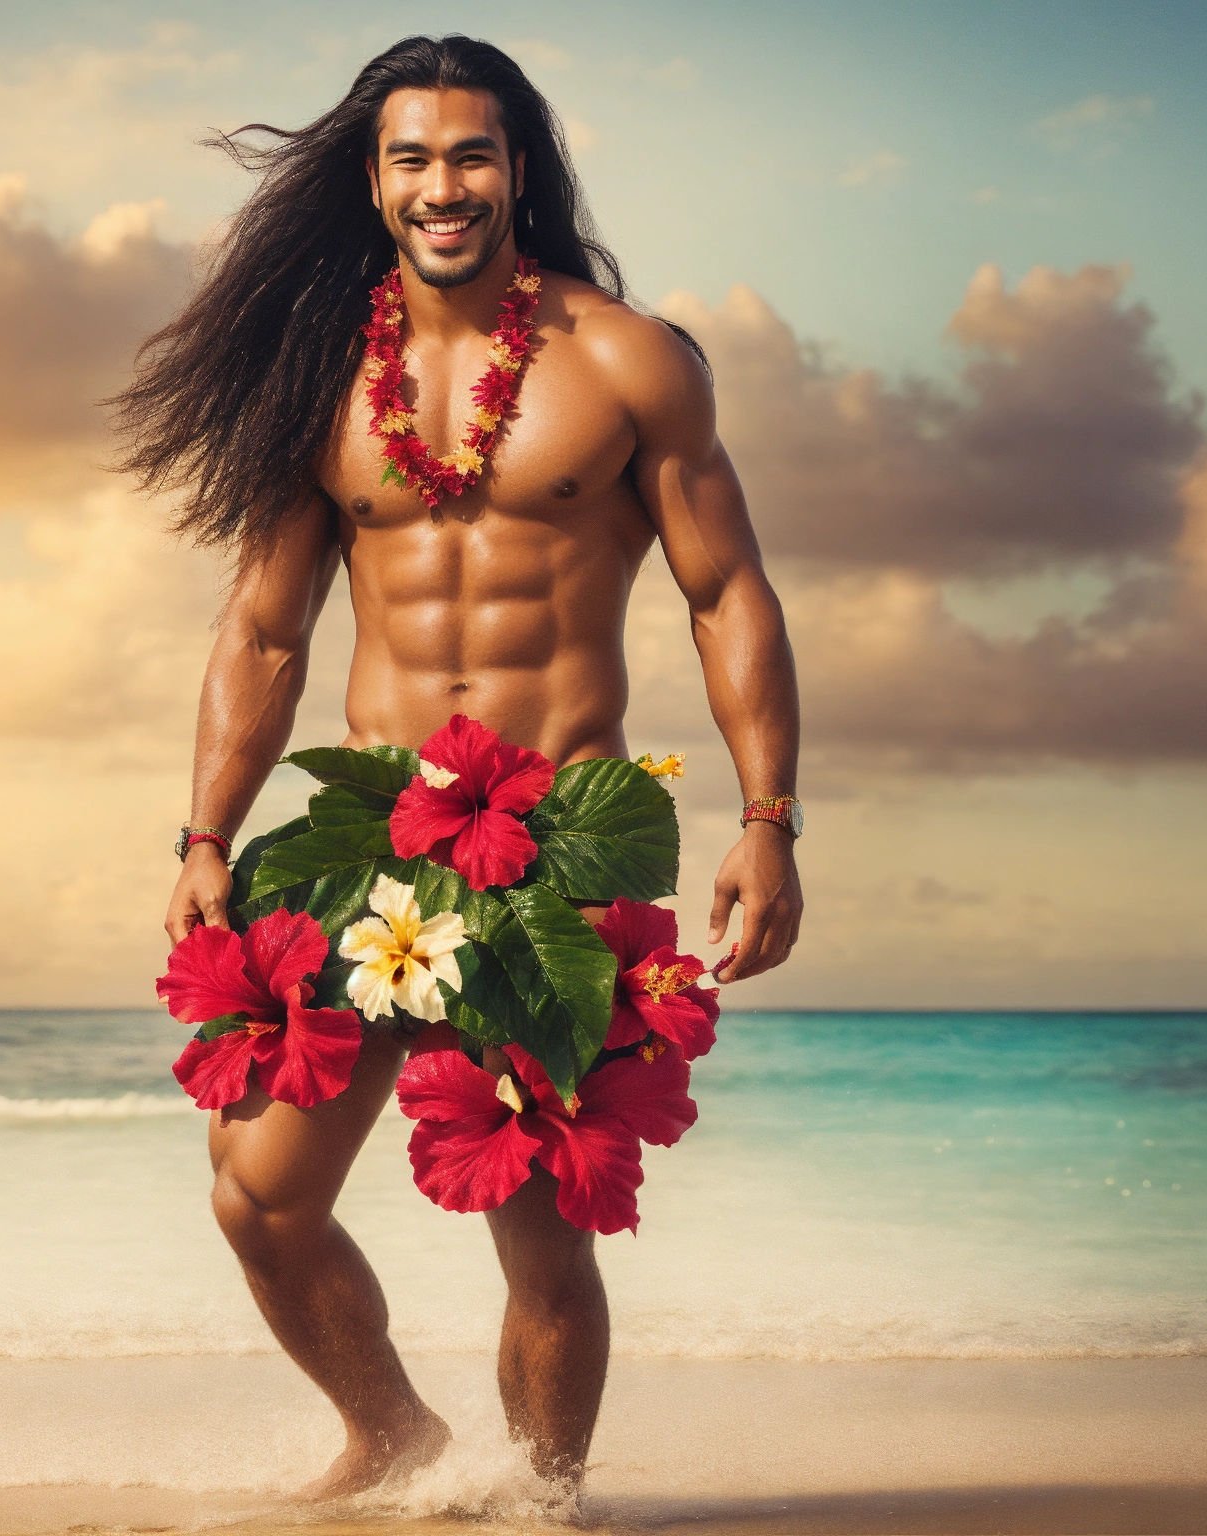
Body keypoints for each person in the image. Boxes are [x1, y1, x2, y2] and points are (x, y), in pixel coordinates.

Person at [115, 33, 802, 1501]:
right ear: (373, 184)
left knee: (546, 1223)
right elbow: (264, 629)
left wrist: (769, 819)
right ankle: (391, 1437)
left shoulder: (625, 361)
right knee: (259, 1194)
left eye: (473, 155)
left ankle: (545, 1499)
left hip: (561, 831)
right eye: (413, 158)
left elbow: (726, 589)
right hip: (380, 837)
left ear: (519, 171)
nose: (446, 185)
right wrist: (201, 837)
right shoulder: (319, 383)